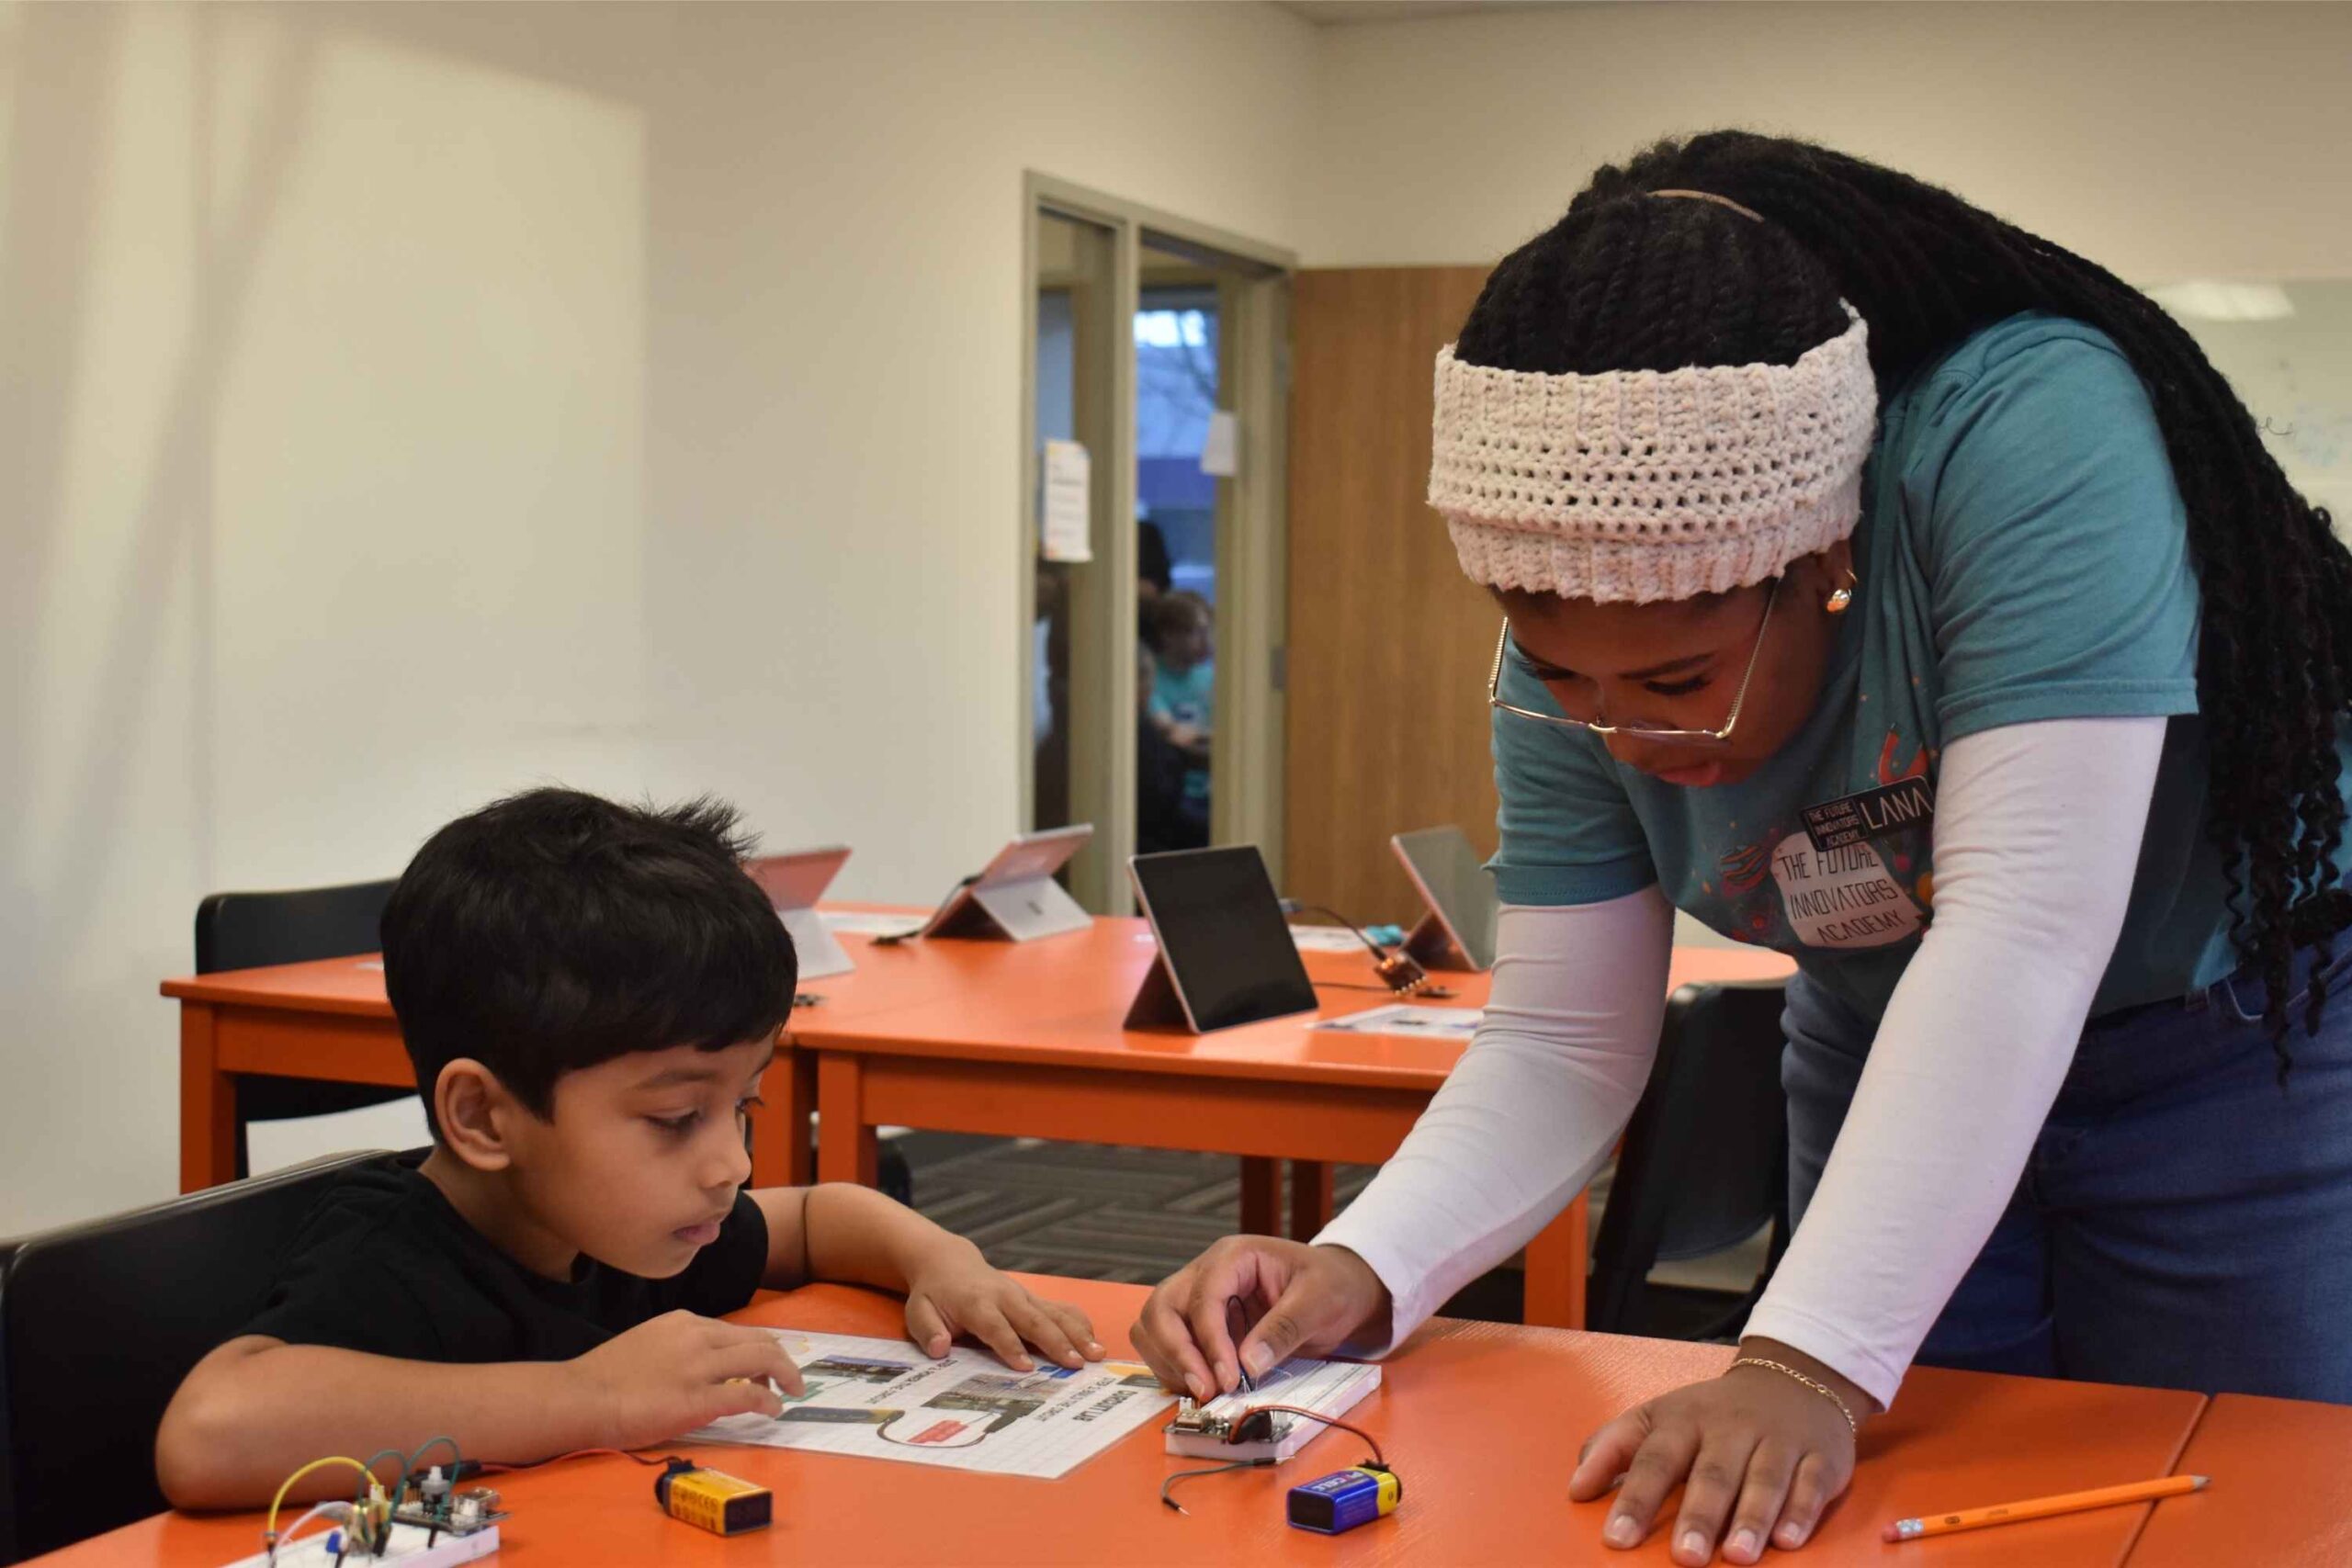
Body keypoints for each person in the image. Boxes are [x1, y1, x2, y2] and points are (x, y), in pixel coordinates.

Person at [1133, 131, 2352, 1566]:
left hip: (2230, 1043)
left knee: (2240, 1500)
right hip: (1884, 1033)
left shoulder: (2027, 431)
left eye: (1674, 681)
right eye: (1563, 677)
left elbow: (2022, 929)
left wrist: (1804, 1359)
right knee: (1897, 1523)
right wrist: (1362, 1258)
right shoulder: (1574, 644)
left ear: (1826, 560)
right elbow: (1564, 1038)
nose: (1627, 737)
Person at [158, 788, 1102, 1507]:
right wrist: (592, 1398)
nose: (730, 1162)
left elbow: (817, 1216)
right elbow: (208, 1432)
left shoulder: (628, 1225)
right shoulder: (393, 1257)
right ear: (485, 1119)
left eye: (745, 1103)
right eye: (675, 1118)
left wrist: (942, 1260)